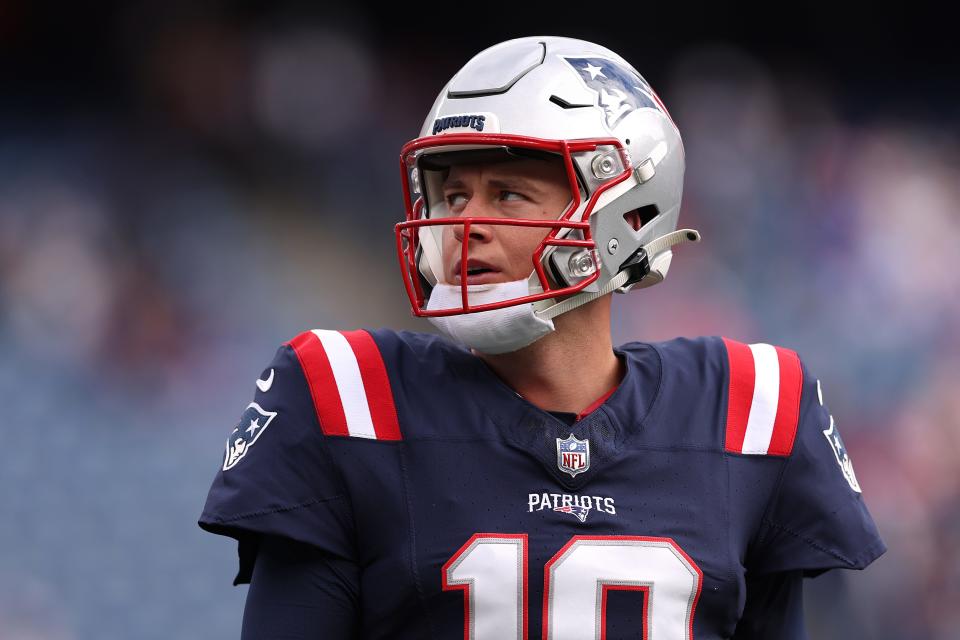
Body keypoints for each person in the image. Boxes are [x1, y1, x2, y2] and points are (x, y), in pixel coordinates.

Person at [198, 35, 886, 639]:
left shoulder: (750, 408)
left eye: (509, 194)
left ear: (627, 211)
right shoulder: (344, 396)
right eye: (452, 195)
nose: (467, 224)